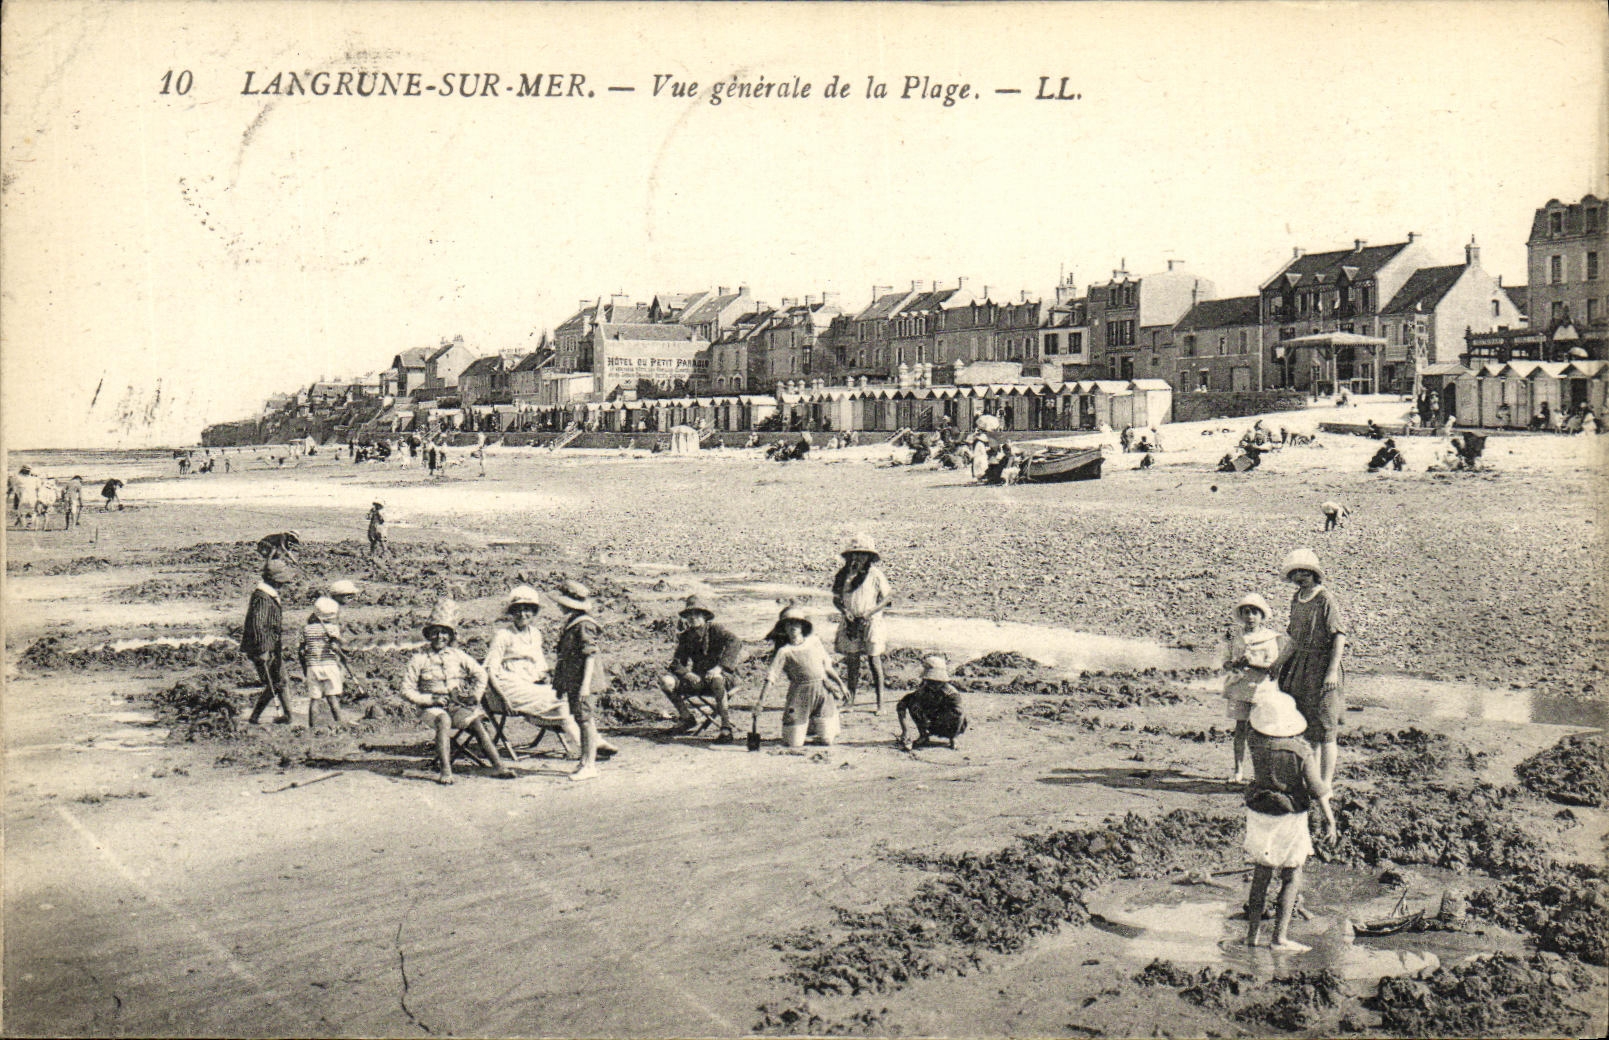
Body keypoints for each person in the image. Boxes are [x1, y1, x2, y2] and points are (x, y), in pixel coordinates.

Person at [1243, 683, 1335, 951]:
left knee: (1262, 873)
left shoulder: (1256, 743)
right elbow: (1318, 789)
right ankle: (1279, 938)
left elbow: (1252, 724)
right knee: (1292, 874)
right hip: (1289, 815)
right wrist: (1330, 819)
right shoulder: (1301, 751)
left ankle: (1252, 936)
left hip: (1259, 812)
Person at [399, 600, 515, 784]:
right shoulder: (419, 658)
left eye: (444, 632)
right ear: (429, 635)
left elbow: (480, 674)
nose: (440, 636)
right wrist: (430, 699)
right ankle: (446, 771)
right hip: (430, 709)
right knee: (443, 720)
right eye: (435, 632)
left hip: (456, 704)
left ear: (450, 635)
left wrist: (475, 696)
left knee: (476, 722)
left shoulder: (457, 655)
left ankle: (499, 766)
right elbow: (406, 690)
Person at [483, 585, 585, 754]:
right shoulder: (503, 635)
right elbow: (489, 670)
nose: (523, 614)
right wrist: (502, 698)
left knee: (564, 696)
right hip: (506, 689)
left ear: (534, 612)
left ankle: (588, 745)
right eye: (518, 610)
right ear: (512, 613)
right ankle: (586, 747)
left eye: (527, 610)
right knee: (557, 699)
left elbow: (540, 666)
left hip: (530, 686)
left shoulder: (536, 634)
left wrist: (548, 677)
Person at [1277, 548, 1348, 788]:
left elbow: (1339, 635)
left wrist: (1331, 671)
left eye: (1305, 573)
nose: (1300, 578)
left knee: (1326, 728)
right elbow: (1293, 639)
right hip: (1300, 667)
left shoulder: (1325, 598)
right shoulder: (1296, 599)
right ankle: (1313, 780)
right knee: (1307, 729)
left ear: (1314, 575)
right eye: (1296, 574)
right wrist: (1277, 664)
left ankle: (1326, 784)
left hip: (1322, 666)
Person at [754, 604, 849, 748]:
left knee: (827, 740)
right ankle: (802, 726)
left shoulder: (814, 641)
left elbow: (826, 667)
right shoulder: (784, 651)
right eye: (788, 624)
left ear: (802, 626)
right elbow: (771, 678)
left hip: (821, 693)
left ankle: (813, 724)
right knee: (794, 744)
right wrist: (760, 702)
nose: (793, 627)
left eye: (796, 623)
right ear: (784, 628)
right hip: (799, 695)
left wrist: (841, 685)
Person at [659, 594, 744, 742]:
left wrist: (719, 667)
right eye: (689, 614)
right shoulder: (686, 636)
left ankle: (725, 727)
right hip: (698, 680)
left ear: (705, 616)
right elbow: (676, 663)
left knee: (717, 679)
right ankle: (686, 718)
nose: (693, 618)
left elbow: (735, 641)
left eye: (697, 614)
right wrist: (688, 675)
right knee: (666, 681)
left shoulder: (715, 629)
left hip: (723, 678)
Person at [1222, 593, 1286, 783]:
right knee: (1240, 729)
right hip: (1240, 688)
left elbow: (1273, 667)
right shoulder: (1236, 638)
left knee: (1262, 730)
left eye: (1255, 613)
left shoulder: (1271, 638)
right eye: (1246, 612)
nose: (1250, 616)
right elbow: (1225, 662)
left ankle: (1263, 773)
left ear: (1262, 616)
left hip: (1262, 690)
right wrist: (1233, 664)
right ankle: (1238, 771)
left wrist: (1252, 663)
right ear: (1241, 615)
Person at [833, 534, 893, 712]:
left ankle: (880, 704)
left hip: (871, 622)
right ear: (850, 556)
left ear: (869, 557)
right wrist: (844, 611)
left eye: (862, 554)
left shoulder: (875, 575)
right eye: (855, 554)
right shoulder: (843, 575)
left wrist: (870, 611)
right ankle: (850, 702)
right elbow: (836, 599)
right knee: (852, 663)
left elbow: (887, 598)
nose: (858, 557)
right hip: (851, 622)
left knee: (874, 661)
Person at [553, 580, 606, 781]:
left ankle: (590, 763)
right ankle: (585, 760)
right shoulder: (573, 622)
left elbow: (590, 655)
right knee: (581, 719)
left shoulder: (583, 624)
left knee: (585, 721)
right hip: (575, 679)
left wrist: (585, 686)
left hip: (585, 681)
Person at [242, 559, 293, 725]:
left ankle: (288, 715)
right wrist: (263, 649)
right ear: (274, 580)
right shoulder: (263, 597)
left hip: (272, 645)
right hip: (263, 646)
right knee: (276, 682)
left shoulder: (268, 594)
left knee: (281, 680)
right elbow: (258, 624)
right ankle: (255, 716)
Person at [298, 596, 349, 730]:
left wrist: (304, 667)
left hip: (313, 666)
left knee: (314, 699)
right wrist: (343, 657)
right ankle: (339, 723)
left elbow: (301, 650)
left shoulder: (307, 629)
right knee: (332, 697)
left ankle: (312, 727)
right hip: (329, 665)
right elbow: (335, 647)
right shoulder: (332, 629)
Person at [897, 655, 967, 751]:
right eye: (929, 681)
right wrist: (905, 731)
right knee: (913, 704)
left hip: (948, 725)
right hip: (930, 723)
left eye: (935, 682)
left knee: (957, 713)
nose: (931, 684)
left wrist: (953, 735)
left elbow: (960, 715)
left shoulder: (951, 693)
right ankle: (923, 735)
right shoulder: (924, 689)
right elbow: (902, 704)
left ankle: (953, 738)